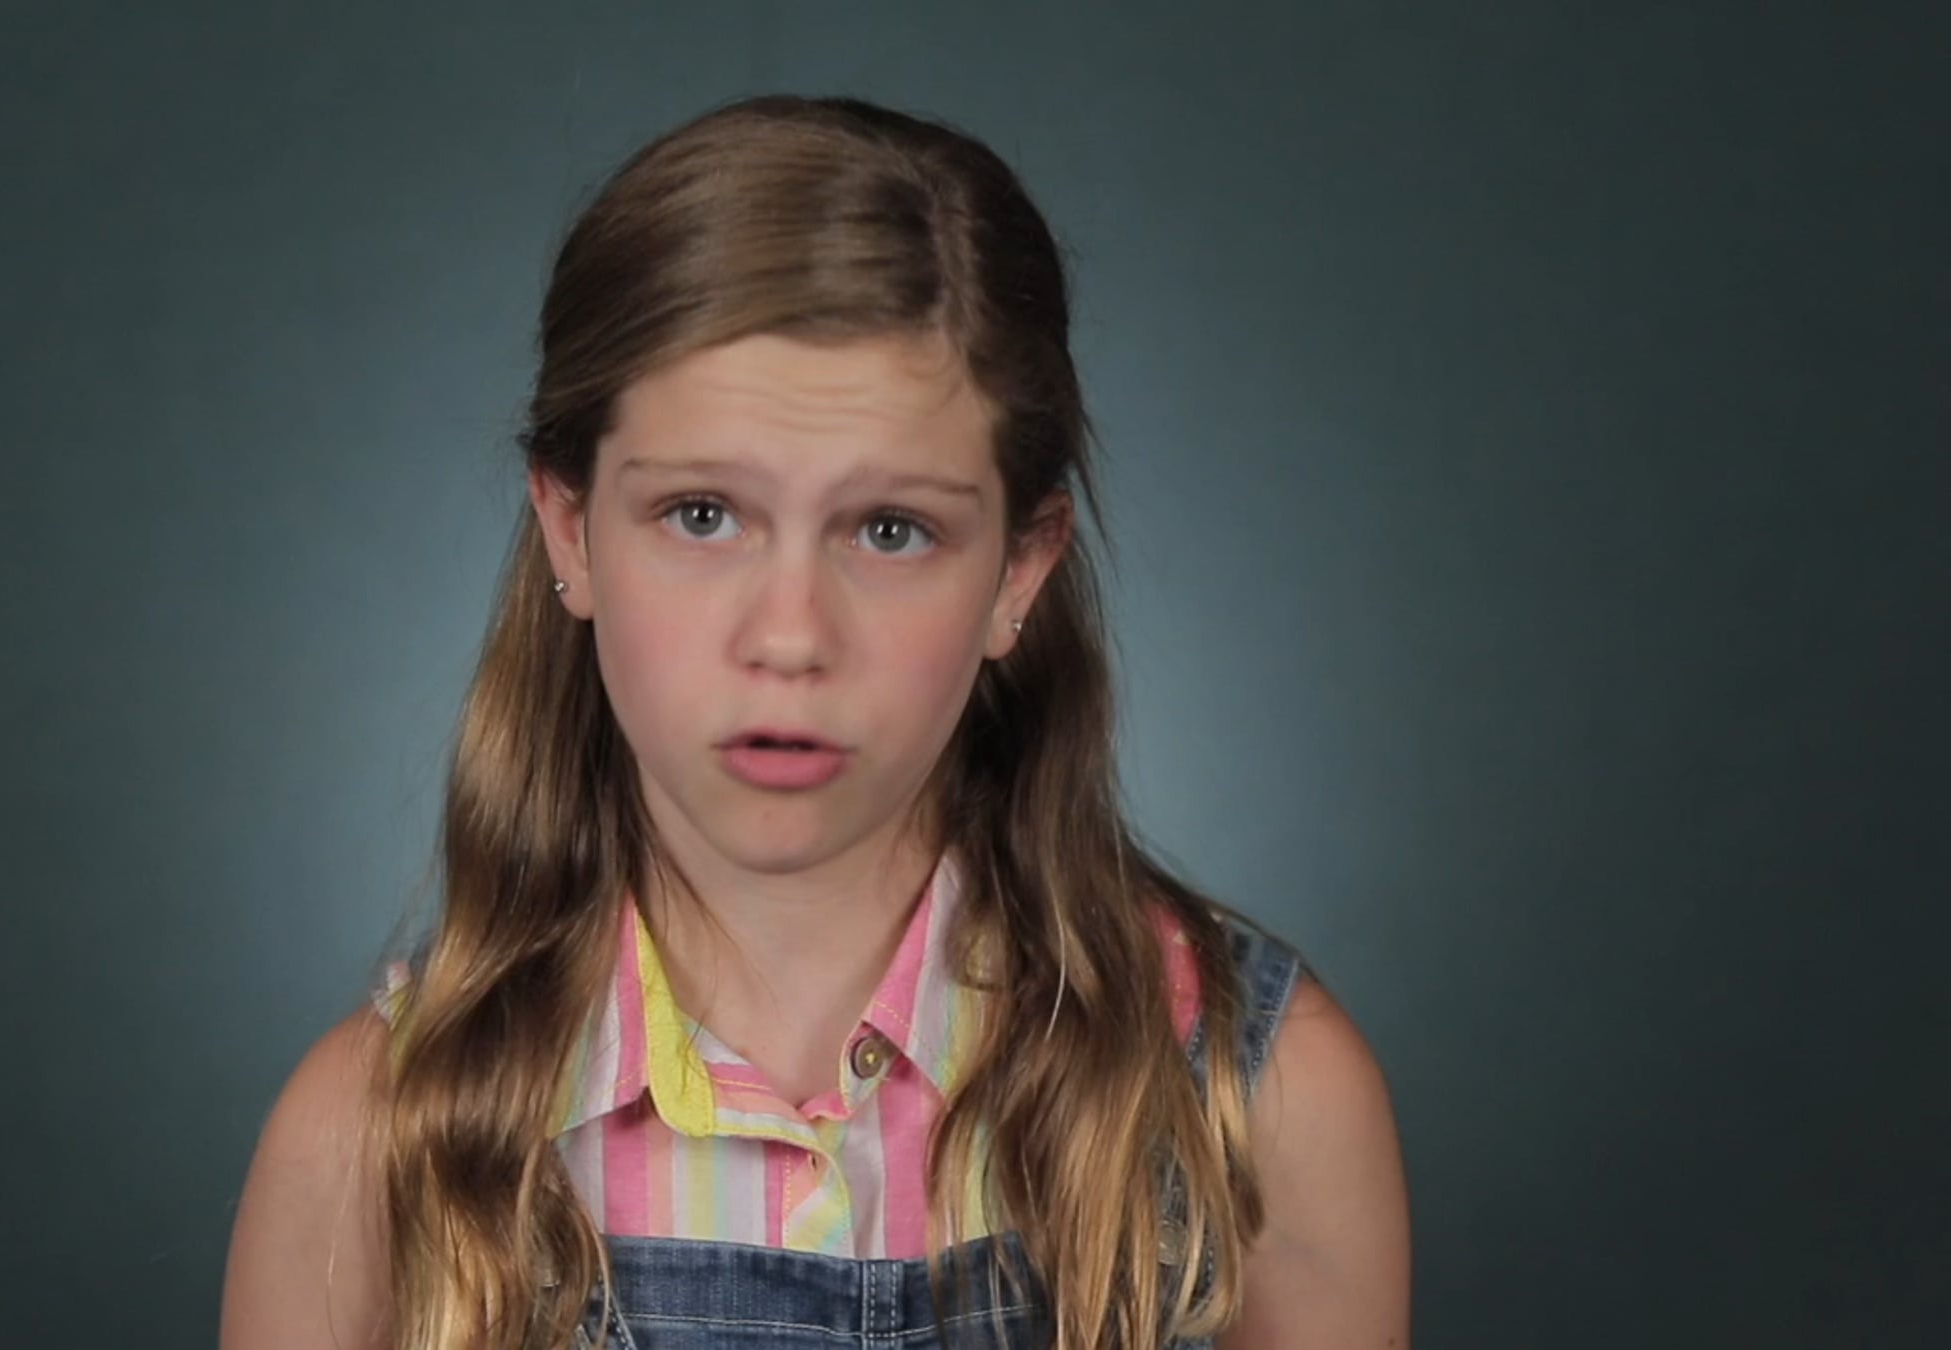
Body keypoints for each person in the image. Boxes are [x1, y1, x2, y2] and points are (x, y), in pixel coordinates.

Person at [220, 94, 1408, 1350]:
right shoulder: (369, 1143)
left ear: (1018, 569)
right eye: (701, 515)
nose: (789, 636)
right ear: (571, 531)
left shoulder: (1257, 1101)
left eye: (891, 530)